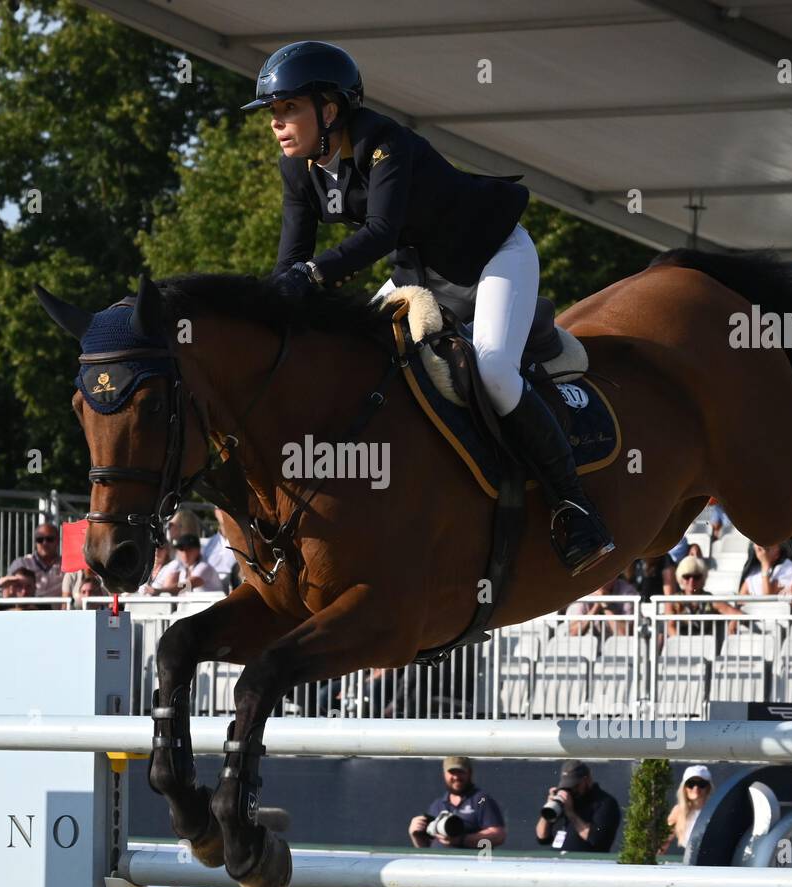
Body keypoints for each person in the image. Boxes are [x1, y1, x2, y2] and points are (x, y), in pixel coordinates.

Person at [246, 40, 612, 575]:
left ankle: (575, 507)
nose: (277, 124)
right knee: (358, 359)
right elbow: (292, 260)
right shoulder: (298, 170)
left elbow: (379, 232)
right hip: (420, 275)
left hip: (493, 258)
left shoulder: (383, 142)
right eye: (273, 113)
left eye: (288, 109)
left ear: (329, 109)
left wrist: (312, 277)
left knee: (492, 372)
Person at [408, 756, 506, 849]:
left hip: (469, 864)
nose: (456, 777)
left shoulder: (481, 800)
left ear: (470, 773)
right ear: (444, 774)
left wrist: (461, 840)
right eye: (452, 772)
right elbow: (426, 848)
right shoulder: (438, 805)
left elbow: (498, 835)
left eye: (460, 772)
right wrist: (416, 835)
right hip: (437, 864)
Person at [535, 760, 620, 853]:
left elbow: (596, 839)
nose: (572, 789)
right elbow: (542, 837)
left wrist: (571, 813)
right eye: (567, 786)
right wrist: (550, 807)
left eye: (575, 785)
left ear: (587, 780)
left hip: (585, 863)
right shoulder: (563, 800)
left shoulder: (604, 803)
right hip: (555, 862)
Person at [660, 765, 713, 854]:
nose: (696, 788)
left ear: (708, 788)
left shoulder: (714, 809)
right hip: (687, 858)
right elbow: (664, 841)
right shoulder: (678, 811)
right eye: (691, 784)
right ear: (684, 788)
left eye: (701, 784)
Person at [565, 573, 638, 636]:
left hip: (617, 649)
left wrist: (606, 605)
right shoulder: (583, 590)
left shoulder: (627, 591)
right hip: (588, 648)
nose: (602, 579)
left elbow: (624, 634)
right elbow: (571, 633)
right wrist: (596, 606)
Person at [6, 523, 65, 598]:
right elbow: (7, 590)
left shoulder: (67, 565)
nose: (44, 543)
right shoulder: (21, 564)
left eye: (49, 539)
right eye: (40, 539)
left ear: (57, 541)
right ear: (35, 542)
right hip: (27, 608)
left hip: (58, 609)